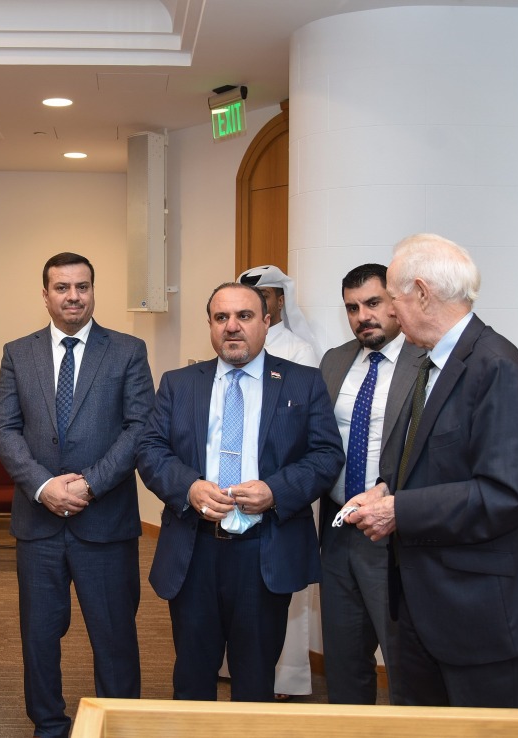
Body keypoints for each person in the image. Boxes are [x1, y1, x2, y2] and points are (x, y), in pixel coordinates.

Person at [344, 234, 518, 708]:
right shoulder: (431, 361)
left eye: (393, 297)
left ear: (423, 294)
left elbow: (506, 493)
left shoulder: (494, 364)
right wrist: (387, 488)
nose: (389, 310)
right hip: (428, 606)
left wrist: (399, 510)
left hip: (486, 616)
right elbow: (434, 459)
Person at [137, 282, 343, 702]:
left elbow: (325, 456)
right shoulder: (179, 383)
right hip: (194, 550)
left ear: (266, 322)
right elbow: (150, 449)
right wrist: (189, 487)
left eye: (245, 316)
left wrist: (275, 490)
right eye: (221, 318)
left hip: (263, 551)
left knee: (254, 681)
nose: (232, 327)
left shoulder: (302, 383)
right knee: (192, 677)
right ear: (210, 326)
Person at [0, 252, 154, 738]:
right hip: (38, 525)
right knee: (39, 639)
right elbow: (5, 430)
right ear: (45, 295)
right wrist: (43, 486)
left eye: (82, 287)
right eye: (61, 288)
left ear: (93, 291)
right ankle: (48, 726)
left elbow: (139, 427)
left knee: (114, 638)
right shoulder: (18, 352)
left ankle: (120, 724)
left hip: (105, 522)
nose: (73, 296)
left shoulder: (127, 350)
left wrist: (88, 484)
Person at [318, 263, 426, 704]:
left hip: (397, 537)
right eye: (352, 307)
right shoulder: (335, 360)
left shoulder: (427, 362)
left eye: (373, 303)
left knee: (406, 664)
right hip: (339, 529)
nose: (363, 316)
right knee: (343, 661)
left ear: (397, 303)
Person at [236, 263, 321, 697]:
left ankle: (285, 678)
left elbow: (308, 435)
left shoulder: (300, 351)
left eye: (262, 299)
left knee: (280, 599)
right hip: (230, 500)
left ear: (277, 302)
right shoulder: (231, 347)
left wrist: (275, 488)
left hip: (280, 492)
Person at [239, 264, 320, 365]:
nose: (254, 303)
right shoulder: (236, 343)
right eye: (249, 298)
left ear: (280, 301)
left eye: (263, 296)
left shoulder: (299, 351)